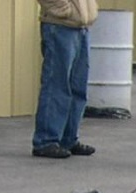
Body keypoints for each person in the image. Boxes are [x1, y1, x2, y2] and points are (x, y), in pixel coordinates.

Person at [32, 0, 99, 159]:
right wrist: (64, 9)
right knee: (57, 84)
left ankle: (68, 138)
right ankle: (46, 140)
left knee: (78, 87)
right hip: (60, 25)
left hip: (80, 26)